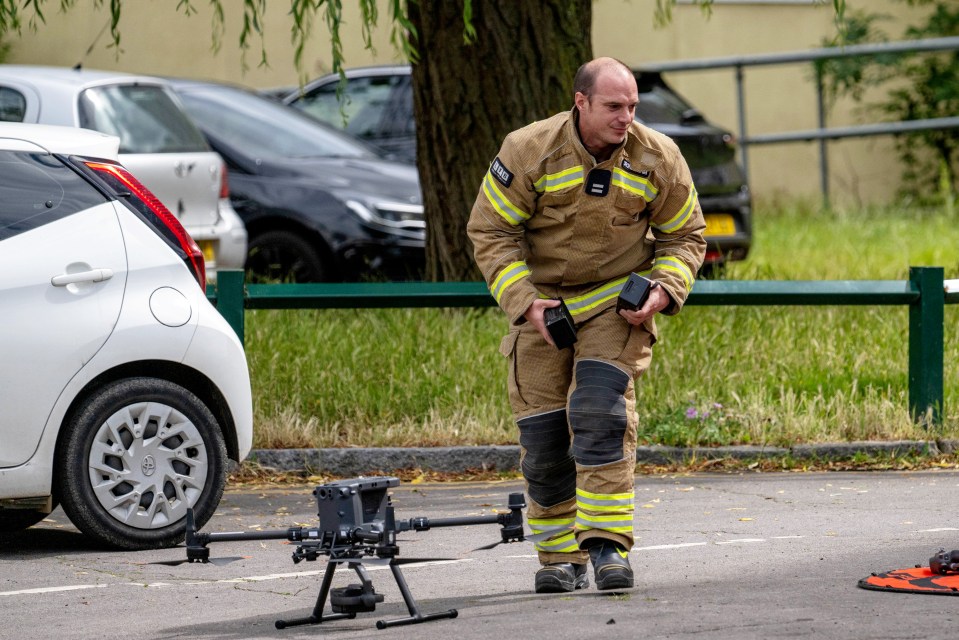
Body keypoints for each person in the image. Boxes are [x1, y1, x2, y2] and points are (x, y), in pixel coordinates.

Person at [466, 57, 706, 593]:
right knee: (544, 437)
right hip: (543, 309)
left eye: (633, 107)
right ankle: (559, 558)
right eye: (614, 106)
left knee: (600, 412)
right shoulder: (528, 150)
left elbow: (686, 235)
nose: (627, 118)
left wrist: (662, 290)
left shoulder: (657, 157)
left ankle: (607, 548)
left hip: (614, 307)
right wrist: (527, 304)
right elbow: (490, 232)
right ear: (581, 102)